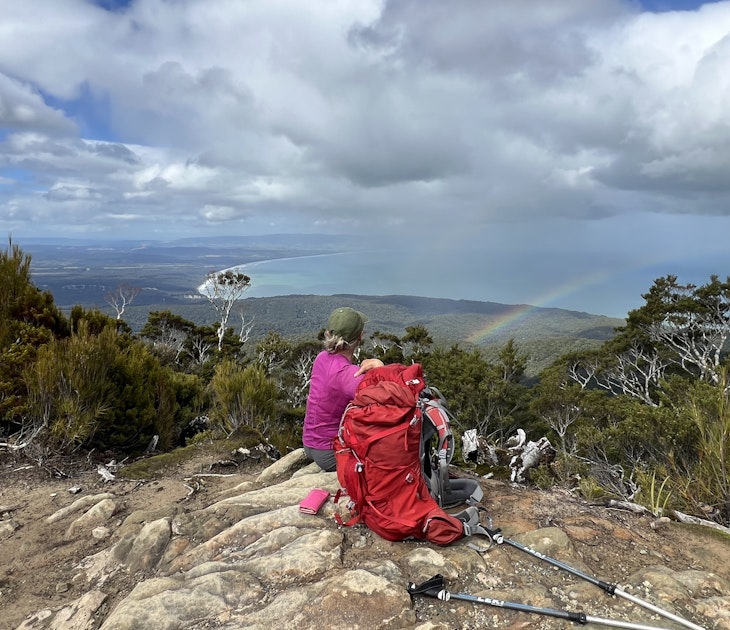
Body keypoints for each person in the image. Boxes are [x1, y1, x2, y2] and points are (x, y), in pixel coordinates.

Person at [302, 306, 384, 471]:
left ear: (329, 333)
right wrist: (379, 367)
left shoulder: (321, 358)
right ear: (360, 336)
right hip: (328, 452)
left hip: (309, 443)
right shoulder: (348, 375)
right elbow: (388, 395)